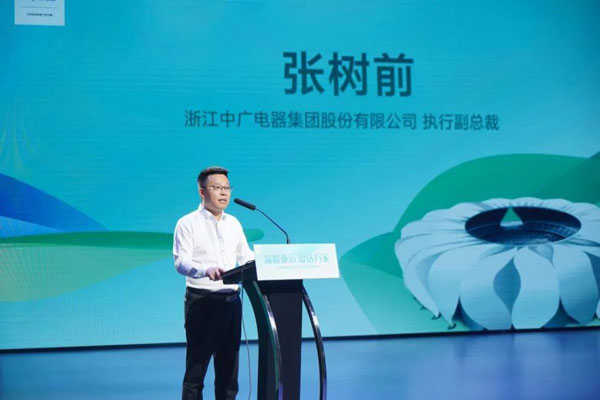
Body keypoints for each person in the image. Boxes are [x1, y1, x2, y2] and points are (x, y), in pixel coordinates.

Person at [173, 166, 254, 400]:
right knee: (196, 372)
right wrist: (205, 270)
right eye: (217, 187)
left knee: (229, 373)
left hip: (231, 302)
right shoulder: (187, 223)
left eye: (227, 188)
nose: (224, 193)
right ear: (202, 192)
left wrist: (263, 264)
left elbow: (245, 256)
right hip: (202, 302)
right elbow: (181, 262)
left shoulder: (234, 223)